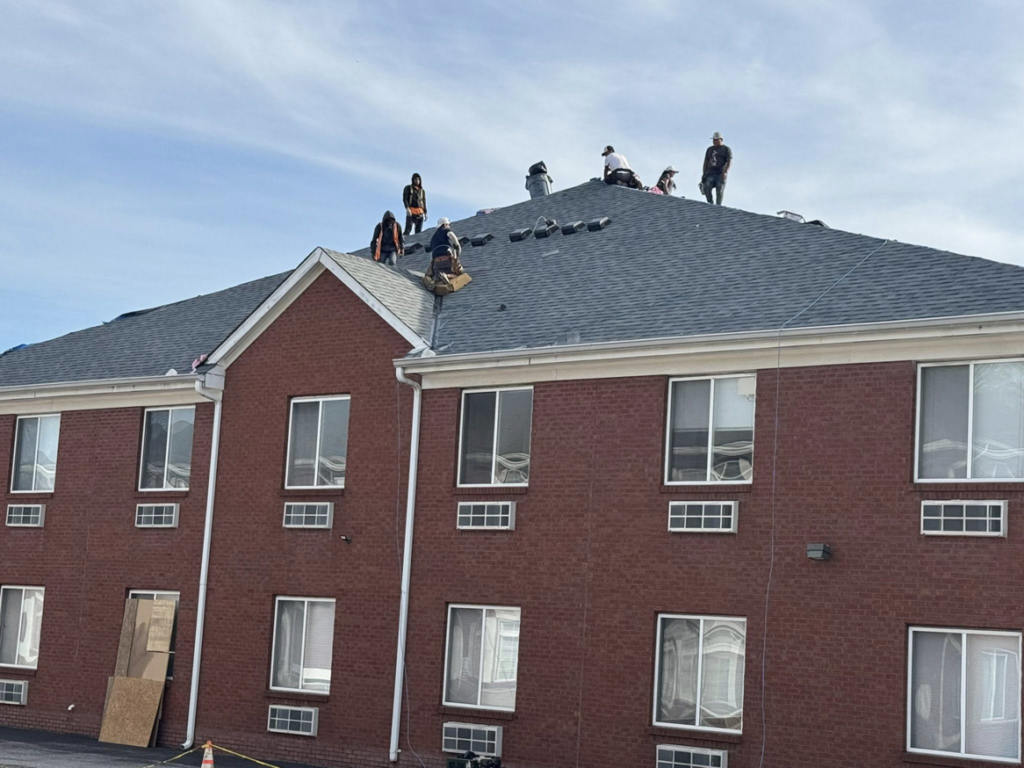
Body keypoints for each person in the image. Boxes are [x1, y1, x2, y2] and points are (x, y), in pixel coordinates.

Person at [701, 132, 732, 205]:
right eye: (714, 140)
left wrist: (725, 172)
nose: (714, 141)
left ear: (721, 140)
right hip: (710, 173)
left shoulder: (726, 149)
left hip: (720, 173)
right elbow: (706, 162)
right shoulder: (709, 149)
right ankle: (710, 204)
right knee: (707, 188)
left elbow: (729, 161)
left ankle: (718, 206)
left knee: (719, 189)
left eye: (716, 140)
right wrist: (704, 173)